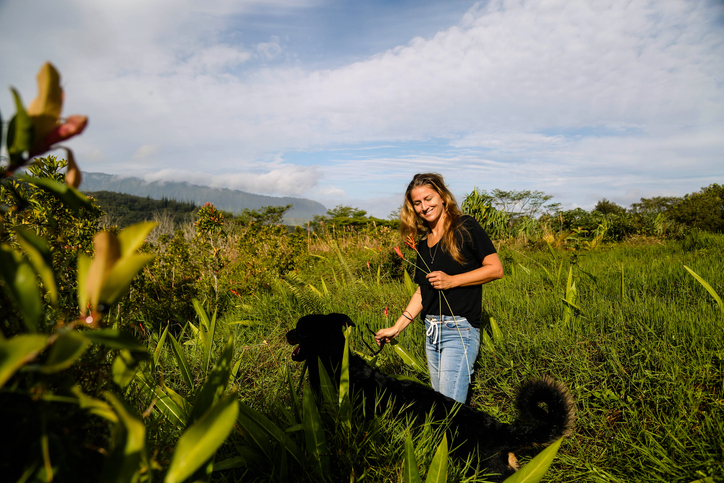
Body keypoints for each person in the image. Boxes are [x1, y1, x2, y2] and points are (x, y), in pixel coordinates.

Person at [375, 173, 503, 403]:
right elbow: (422, 292)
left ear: (443, 197)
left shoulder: (465, 226)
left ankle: (458, 439)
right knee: (442, 406)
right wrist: (396, 327)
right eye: (417, 203)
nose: (424, 207)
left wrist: (453, 280)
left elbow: (495, 269)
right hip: (431, 332)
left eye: (429, 198)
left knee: (448, 409)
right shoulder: (423, 244)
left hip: (460, 329)